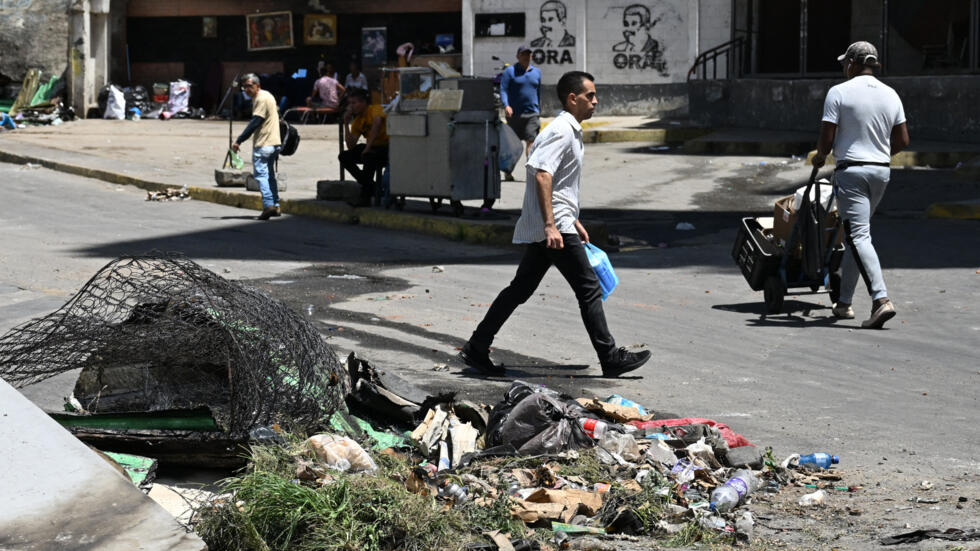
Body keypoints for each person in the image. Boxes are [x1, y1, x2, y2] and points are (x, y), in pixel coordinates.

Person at [458, 71, 651, 378]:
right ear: (572, 98)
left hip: (559, 221)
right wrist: (552, 225)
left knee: (520, 289)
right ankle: (610, 356)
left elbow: (556, 181)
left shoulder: (568, 129)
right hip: (554, 226)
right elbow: (542, 174)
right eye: (590, 96)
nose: (595, 101)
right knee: (588, 289)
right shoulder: (562, 129)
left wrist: (573, 219)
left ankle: (478, 346)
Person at [812, 41, 909, 329]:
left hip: (851, 172)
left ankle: (881, 300)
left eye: (845, 63)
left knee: (858, 236)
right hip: (881, 173)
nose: (844, 68)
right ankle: (843, 303)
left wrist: (819, 156)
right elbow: (903, 141)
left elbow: (827, 138)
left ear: (853, 64)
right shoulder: (891, 95)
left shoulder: (839, 92)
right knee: (857, 236)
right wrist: (878, 156)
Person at [232, 73, 282, 220]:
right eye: (244, 87)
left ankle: (268, 206)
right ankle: (276, 206)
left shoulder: (260, 98)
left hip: (264, 143)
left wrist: (239, 140)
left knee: (261, 176)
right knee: (270, 176)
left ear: (257, 85)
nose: (247, 89)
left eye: (249, 86)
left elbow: (255, 122)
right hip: (274, 143)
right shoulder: (267, 95)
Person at [338, 87, 388, 205]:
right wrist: (346, 124)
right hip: (371, 147)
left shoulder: (375, 109)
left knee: (368, 156)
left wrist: (367, 147)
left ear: (363, 102)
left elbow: (377, 124)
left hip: (386, 147)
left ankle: (365, 196)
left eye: (354, 103)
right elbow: (351, 145)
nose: (351, 106)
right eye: (350, 103)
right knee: (344, 156)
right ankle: (371, 186)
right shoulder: (358, 121)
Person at [500, 44, 542, 181]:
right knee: (513, 146)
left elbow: (538, 91)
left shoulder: (537, 72)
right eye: (523, 54)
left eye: (528, 54)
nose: (526, 57)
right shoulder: (510, 72)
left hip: (532, 114)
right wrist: (506, 105)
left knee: (531, 142)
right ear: (518, 56)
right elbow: (504, 89)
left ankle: (531, 173)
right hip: (515, 115)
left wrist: (538, 108)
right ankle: (508, 171)